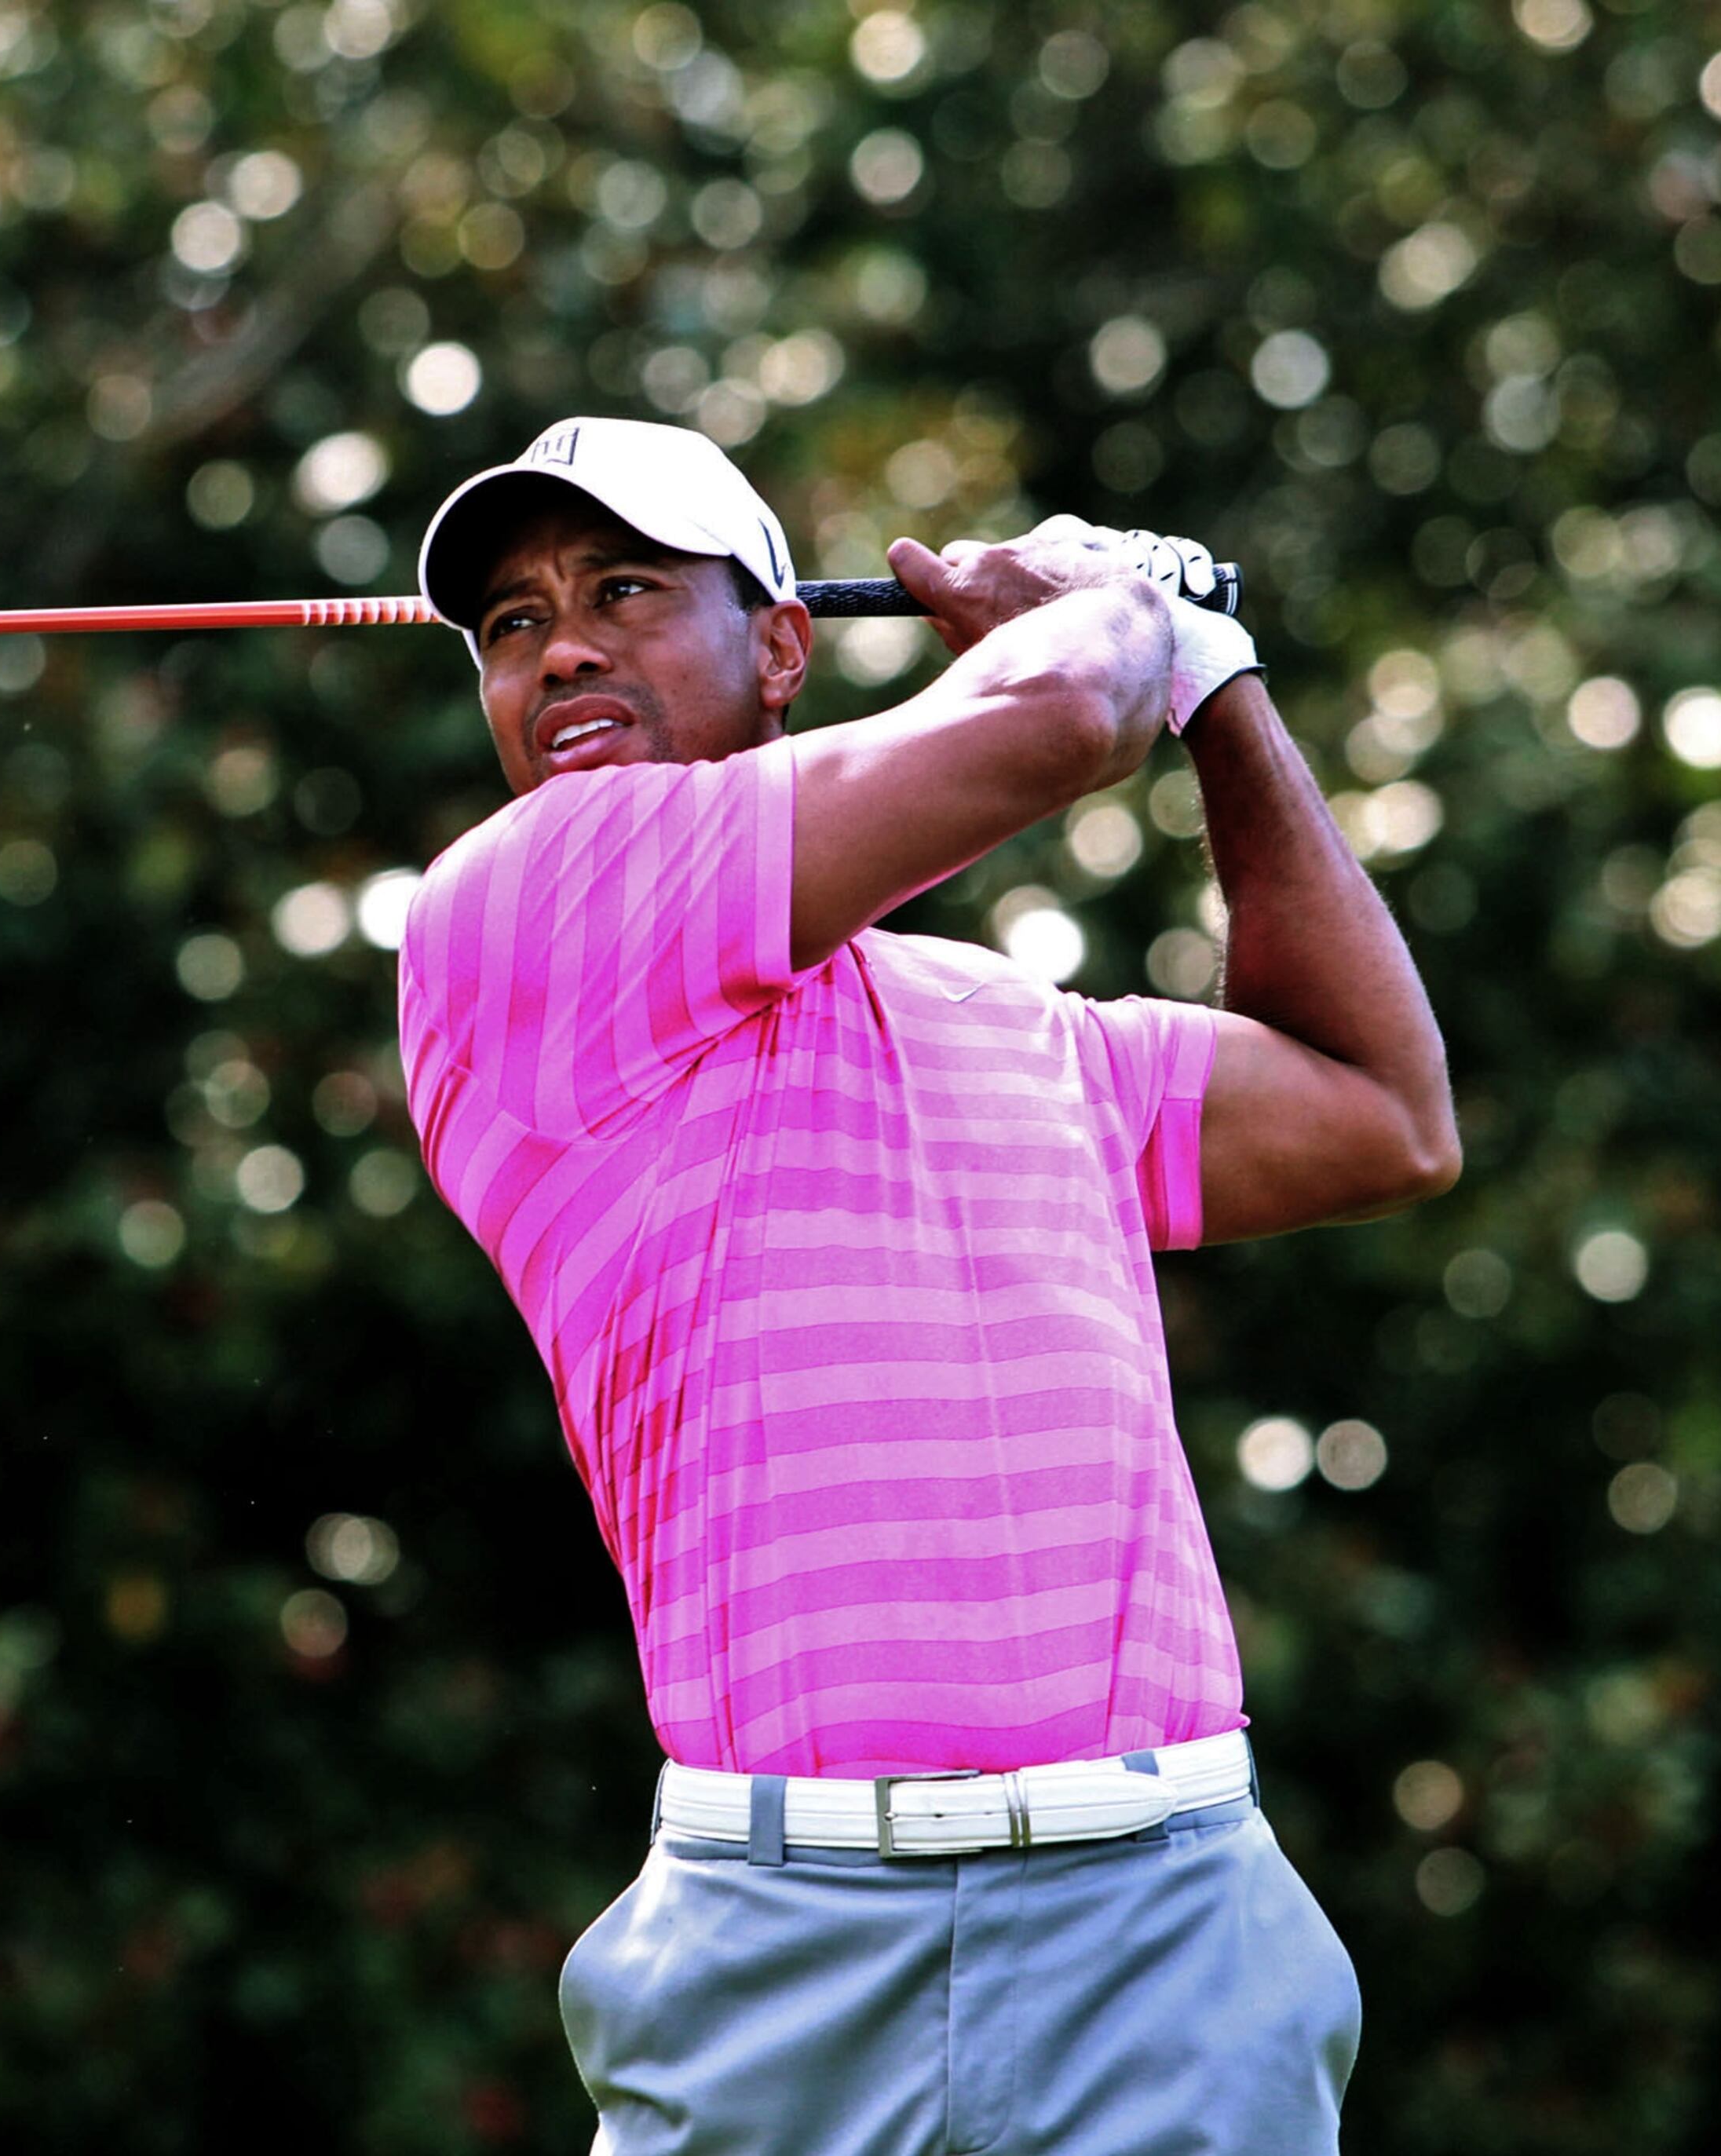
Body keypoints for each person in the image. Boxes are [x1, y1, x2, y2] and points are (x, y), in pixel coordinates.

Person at [393, 417, 1459, 2154]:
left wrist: (1220, 684)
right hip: (785, 1947)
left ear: (784, 646)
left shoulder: (1012, 1027)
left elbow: (1381, 1113)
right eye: (511, 623)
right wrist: (1119, 610)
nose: (562, 642)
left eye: (626, 589)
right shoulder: (513, 918)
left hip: (1170, 1928)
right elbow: (1053, 718)